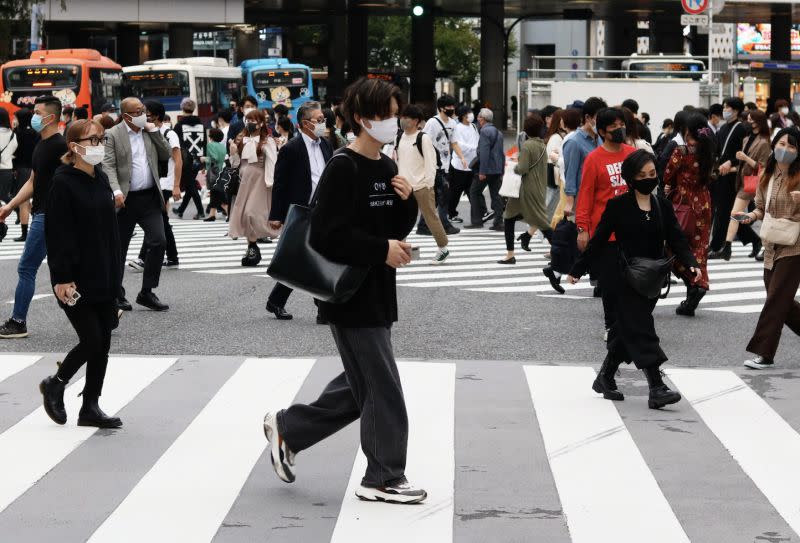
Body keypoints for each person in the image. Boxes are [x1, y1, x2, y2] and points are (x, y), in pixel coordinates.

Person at [262, 76, 427, 504]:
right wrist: (381, 249)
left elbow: (393, 227)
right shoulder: (344, 166)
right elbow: (326, 236)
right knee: (383, 387)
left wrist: (407, 202)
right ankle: (384, 477)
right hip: (348, 295)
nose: (393, 122)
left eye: (395, 113)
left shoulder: (386, 166)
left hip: (377, 289)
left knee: (362, 385)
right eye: (384, 115)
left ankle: (290, 428)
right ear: (360, 118)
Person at [567, 150, 702, 409]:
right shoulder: (618, 206)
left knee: (625, 330)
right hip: (623, 277)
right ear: (630, 178)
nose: (648, 179)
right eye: (642, 175)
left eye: (652, 174)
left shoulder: (661, 205)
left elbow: (676, 238)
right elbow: (598, 241)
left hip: (651, 279)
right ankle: (657, 387)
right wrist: (578, 268)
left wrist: (692, 264)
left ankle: (605, 377)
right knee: (641, 329)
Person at [39, 118, 122, 428]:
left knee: (104, 343)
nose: (98, 146)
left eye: (101, 139)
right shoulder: (62, 183)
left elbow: (110, 231)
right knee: (91, 339)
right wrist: (61, 277)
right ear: (74, 147)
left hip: (104, 273)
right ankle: (55, 383)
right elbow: (57, 233)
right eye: (92, 140)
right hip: (74, 278)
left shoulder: (99, 178)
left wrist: (117, 277)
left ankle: (90, 406)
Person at [0, 96, 66, 339]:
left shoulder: (60, 145)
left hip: (48, 215)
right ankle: (106, 310)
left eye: (38, 112)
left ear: (50, 117)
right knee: (64, 270)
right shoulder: (41, 144)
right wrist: (10, 207)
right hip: (43, 213)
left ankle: (18, 321)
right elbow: (33, 181)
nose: (34, 116)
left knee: (27, 267)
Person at [734, 127, 800, 369]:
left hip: (796, 245)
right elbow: (761, 208)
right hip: (772, 244)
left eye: (792, 145)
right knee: (782, 301)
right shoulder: (767, 174)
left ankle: (764, 353)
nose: (785, 149)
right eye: (782, 143)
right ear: (774, 146)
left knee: (775, 301)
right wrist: (750, 216)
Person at [103, 97, 172, 312]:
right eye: (138, 111)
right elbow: (108, 165)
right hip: (125, 199)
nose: (144, 114)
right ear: (126, 116)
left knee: (159, 241)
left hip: (150, 197)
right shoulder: (113, 134)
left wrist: (154, 131)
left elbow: (167, 153)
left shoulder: (148, 131)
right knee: (119, 249)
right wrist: (115, 191)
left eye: (144, 110)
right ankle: (116, 293)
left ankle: (147, 291)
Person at [266, 101, 333, 321]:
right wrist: (276, 215)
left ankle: (315, 305)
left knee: (318, 256)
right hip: (301, 209)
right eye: (319, 121)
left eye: (324, 120)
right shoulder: (291, 149)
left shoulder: (325, 145)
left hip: (324, 208)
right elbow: (280, 184)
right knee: (301, 258)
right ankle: (321, 305)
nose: (324, 124)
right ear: (305, 124)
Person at [575, 107, 636, 325]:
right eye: (614, 127)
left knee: (634, 282)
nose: (620, 129)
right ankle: (611, 325)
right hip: (606, 233)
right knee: (610, 284)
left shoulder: (632, 154)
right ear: (602, 131)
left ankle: (629, 323)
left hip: (633, 229)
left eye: (622, 125)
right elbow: (585, 196)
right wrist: (582, 229)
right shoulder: (593, 159)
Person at [663, 112, 716, 316]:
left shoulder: (681, 151)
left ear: (686, 131)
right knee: (700, 248)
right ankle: (697, 286)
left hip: (683, 205)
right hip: (703, 204)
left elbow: (667, 174)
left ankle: (694, 284)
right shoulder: (708, 149)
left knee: (675, 247)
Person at [129, 100, 182, 272]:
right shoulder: (144, 131)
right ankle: (172, 257)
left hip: (165, 183)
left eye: (147, 113)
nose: (144, 116)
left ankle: (143, 257)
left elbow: (178, 160)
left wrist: (176, 186)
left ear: (156, 116)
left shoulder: (168, 133)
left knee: (156, 219)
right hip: (153, 183)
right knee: (162, 221)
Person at [714, 108, 772, 261]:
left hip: (757, 183)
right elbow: (741, 165)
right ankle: (727, 247)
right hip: (744, 182)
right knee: (735, 214)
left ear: (759, 122)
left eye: (752, 119)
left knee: (763, 215)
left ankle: (766, 245)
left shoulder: (764, 142)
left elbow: (762, 167)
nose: (749, 121)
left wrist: (745, 158)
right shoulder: (746, 139)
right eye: (749, 118)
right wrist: (732, 167)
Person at [395, 104, 450, 264]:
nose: (403, 120)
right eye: (402, 117)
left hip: (421, 186)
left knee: (430, 217)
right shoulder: (398, 136)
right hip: (403, 185)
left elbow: (431, 163)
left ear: (416, 121)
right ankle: (402, 252)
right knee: (402, 219)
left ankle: (443, 248)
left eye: (407, 118)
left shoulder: (423, 138)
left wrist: (428, 183)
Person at [499, 113, 554, 265]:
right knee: (537, 220)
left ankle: (510, 254)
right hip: (538, 188)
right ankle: (557, 250)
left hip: (525, 190)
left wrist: (513, 166)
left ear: (525, 130)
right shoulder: (542, 145)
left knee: (512, 218)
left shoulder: (527, 146)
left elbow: (522, 169)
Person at [228, 109, 281, 265]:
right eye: (247, 120)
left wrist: (271, 183)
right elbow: (236, 164)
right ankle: (252, 248)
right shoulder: (242, 139)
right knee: (245, 214)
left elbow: (272, 162)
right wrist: (233, 153)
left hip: (260, 181)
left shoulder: (268, 141)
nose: (250, 123)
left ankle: (258, 245)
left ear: (261, 122)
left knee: (253, 213)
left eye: (253, 120)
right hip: (244, 181)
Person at [709, 97, 748, 256]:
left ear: (736, 110)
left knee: (724, 211)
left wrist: (730, 163)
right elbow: (718, 150)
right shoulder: (723, 128)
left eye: (728, 107)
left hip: (733, 175)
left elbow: (744, 153)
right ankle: (753, 238)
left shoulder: (741, 128)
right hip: (720, 174)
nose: (725, 110)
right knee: (722, 210)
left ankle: (716, 246)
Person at [418, 95, 459, 235]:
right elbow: (424, 141)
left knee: (439, 197)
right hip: (434, 165)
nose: (452, 109)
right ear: (441, 108)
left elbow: (454, 143)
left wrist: (462, 158)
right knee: (441, 196)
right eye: (449, 106)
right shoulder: (432, 123)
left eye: (453, 106)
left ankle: (424, 225)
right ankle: (442, 224)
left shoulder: (453, 123)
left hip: (446, 165)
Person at [562, 97, 607, 216]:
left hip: (600, 195)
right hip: (582, 198)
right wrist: (570, 202)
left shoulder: (600, 139)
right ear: (587, 118)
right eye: (599, 119)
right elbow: (570, 173)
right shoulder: (574, 141)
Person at [467, 108, 505, 231]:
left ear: (482, 119)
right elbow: (502, 154)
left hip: (486, 170)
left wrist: (482, 171)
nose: (477, 119)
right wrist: (501, 170)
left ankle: (477, 220)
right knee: (496, 195)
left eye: (478, 117)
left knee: (474, 191)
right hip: (496, 170)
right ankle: (499, 222)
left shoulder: (484, 132)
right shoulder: (498, 132)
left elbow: (484, 153)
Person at [173, 98, 206, 220]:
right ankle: (181, 210)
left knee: (190, 185)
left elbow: (176, 144)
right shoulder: (201, 124)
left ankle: (201, 211)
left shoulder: (179, 125)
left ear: (182, 108)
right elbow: (204, 142)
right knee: (190, 184)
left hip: (185, 159)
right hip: (198, 158)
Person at [11, 108, 38, 242]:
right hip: (36, 169)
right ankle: (36, 228)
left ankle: (24, 233)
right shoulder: (36, 132)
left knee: (23, 202)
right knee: (37, 200)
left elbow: (13, 153)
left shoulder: (17, 133)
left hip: (22, 170)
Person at [551, 107, 581, 228]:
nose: (560, 122)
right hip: (569, 180)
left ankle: (556, 238)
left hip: (566, 181)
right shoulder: (577, 136)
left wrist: (555, 158)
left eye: (562, 119)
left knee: (561, 213)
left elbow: (568, 163)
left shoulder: (569, 138)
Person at [449, 105, 479, 221]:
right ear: (462, 116)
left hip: (472, 164)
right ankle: (451, 214)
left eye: (471, 111)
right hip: (459, 166)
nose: (471, 114)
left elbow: (477, 140)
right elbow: (458, 145)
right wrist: (474, 148)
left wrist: (476, 149)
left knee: (472, 191)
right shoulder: (458, 128)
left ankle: (478, 214)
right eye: (468, 112)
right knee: (455, 192)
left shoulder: (473, 126)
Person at [544, 108, 565, 222]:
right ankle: (540, 229)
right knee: (550, 203)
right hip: (554, 172)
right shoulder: (556, 137)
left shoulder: (557, 136)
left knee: (551, 202)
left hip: (552, 172)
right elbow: (552, 157)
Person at [203, 128, 228, 222]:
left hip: (213, 172)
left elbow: (214, 158)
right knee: (215, 192)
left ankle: (229, 211)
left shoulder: (210, 145)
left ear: (211, 137)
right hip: (221, 171)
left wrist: (204, 159)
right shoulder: (222, 146)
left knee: (218, 193)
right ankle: (212, 214)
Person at [0, 108, 18, 208]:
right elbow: (14, 149)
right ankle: (16, 208)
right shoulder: (12, 134)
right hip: (7, 170)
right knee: (4, 195)